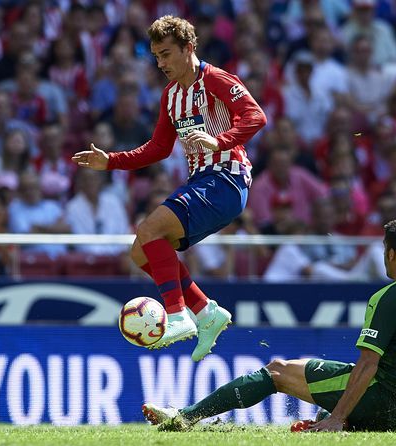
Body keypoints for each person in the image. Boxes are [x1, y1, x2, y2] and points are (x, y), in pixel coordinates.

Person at [142, 219, 396, 432]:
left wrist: (337, 416)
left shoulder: (389, 297)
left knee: (276, 371)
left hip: (382, 399)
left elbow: (367, 364)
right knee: (324, 385)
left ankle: (184, 418)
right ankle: (340, 422)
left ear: (391, 255)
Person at [71, 16, 267, 361]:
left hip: (227, 179)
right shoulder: (170, 96)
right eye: (156, 57)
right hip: (202, 181)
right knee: (141, 250)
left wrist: (218, 141)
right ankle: (206, 312)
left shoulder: (216, 79)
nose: (160, 64)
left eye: (166, 54)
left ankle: (177, 316)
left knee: (150, 229)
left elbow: (255, 117)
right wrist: (111, 161)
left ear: (188, 48)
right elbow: (158, 149)